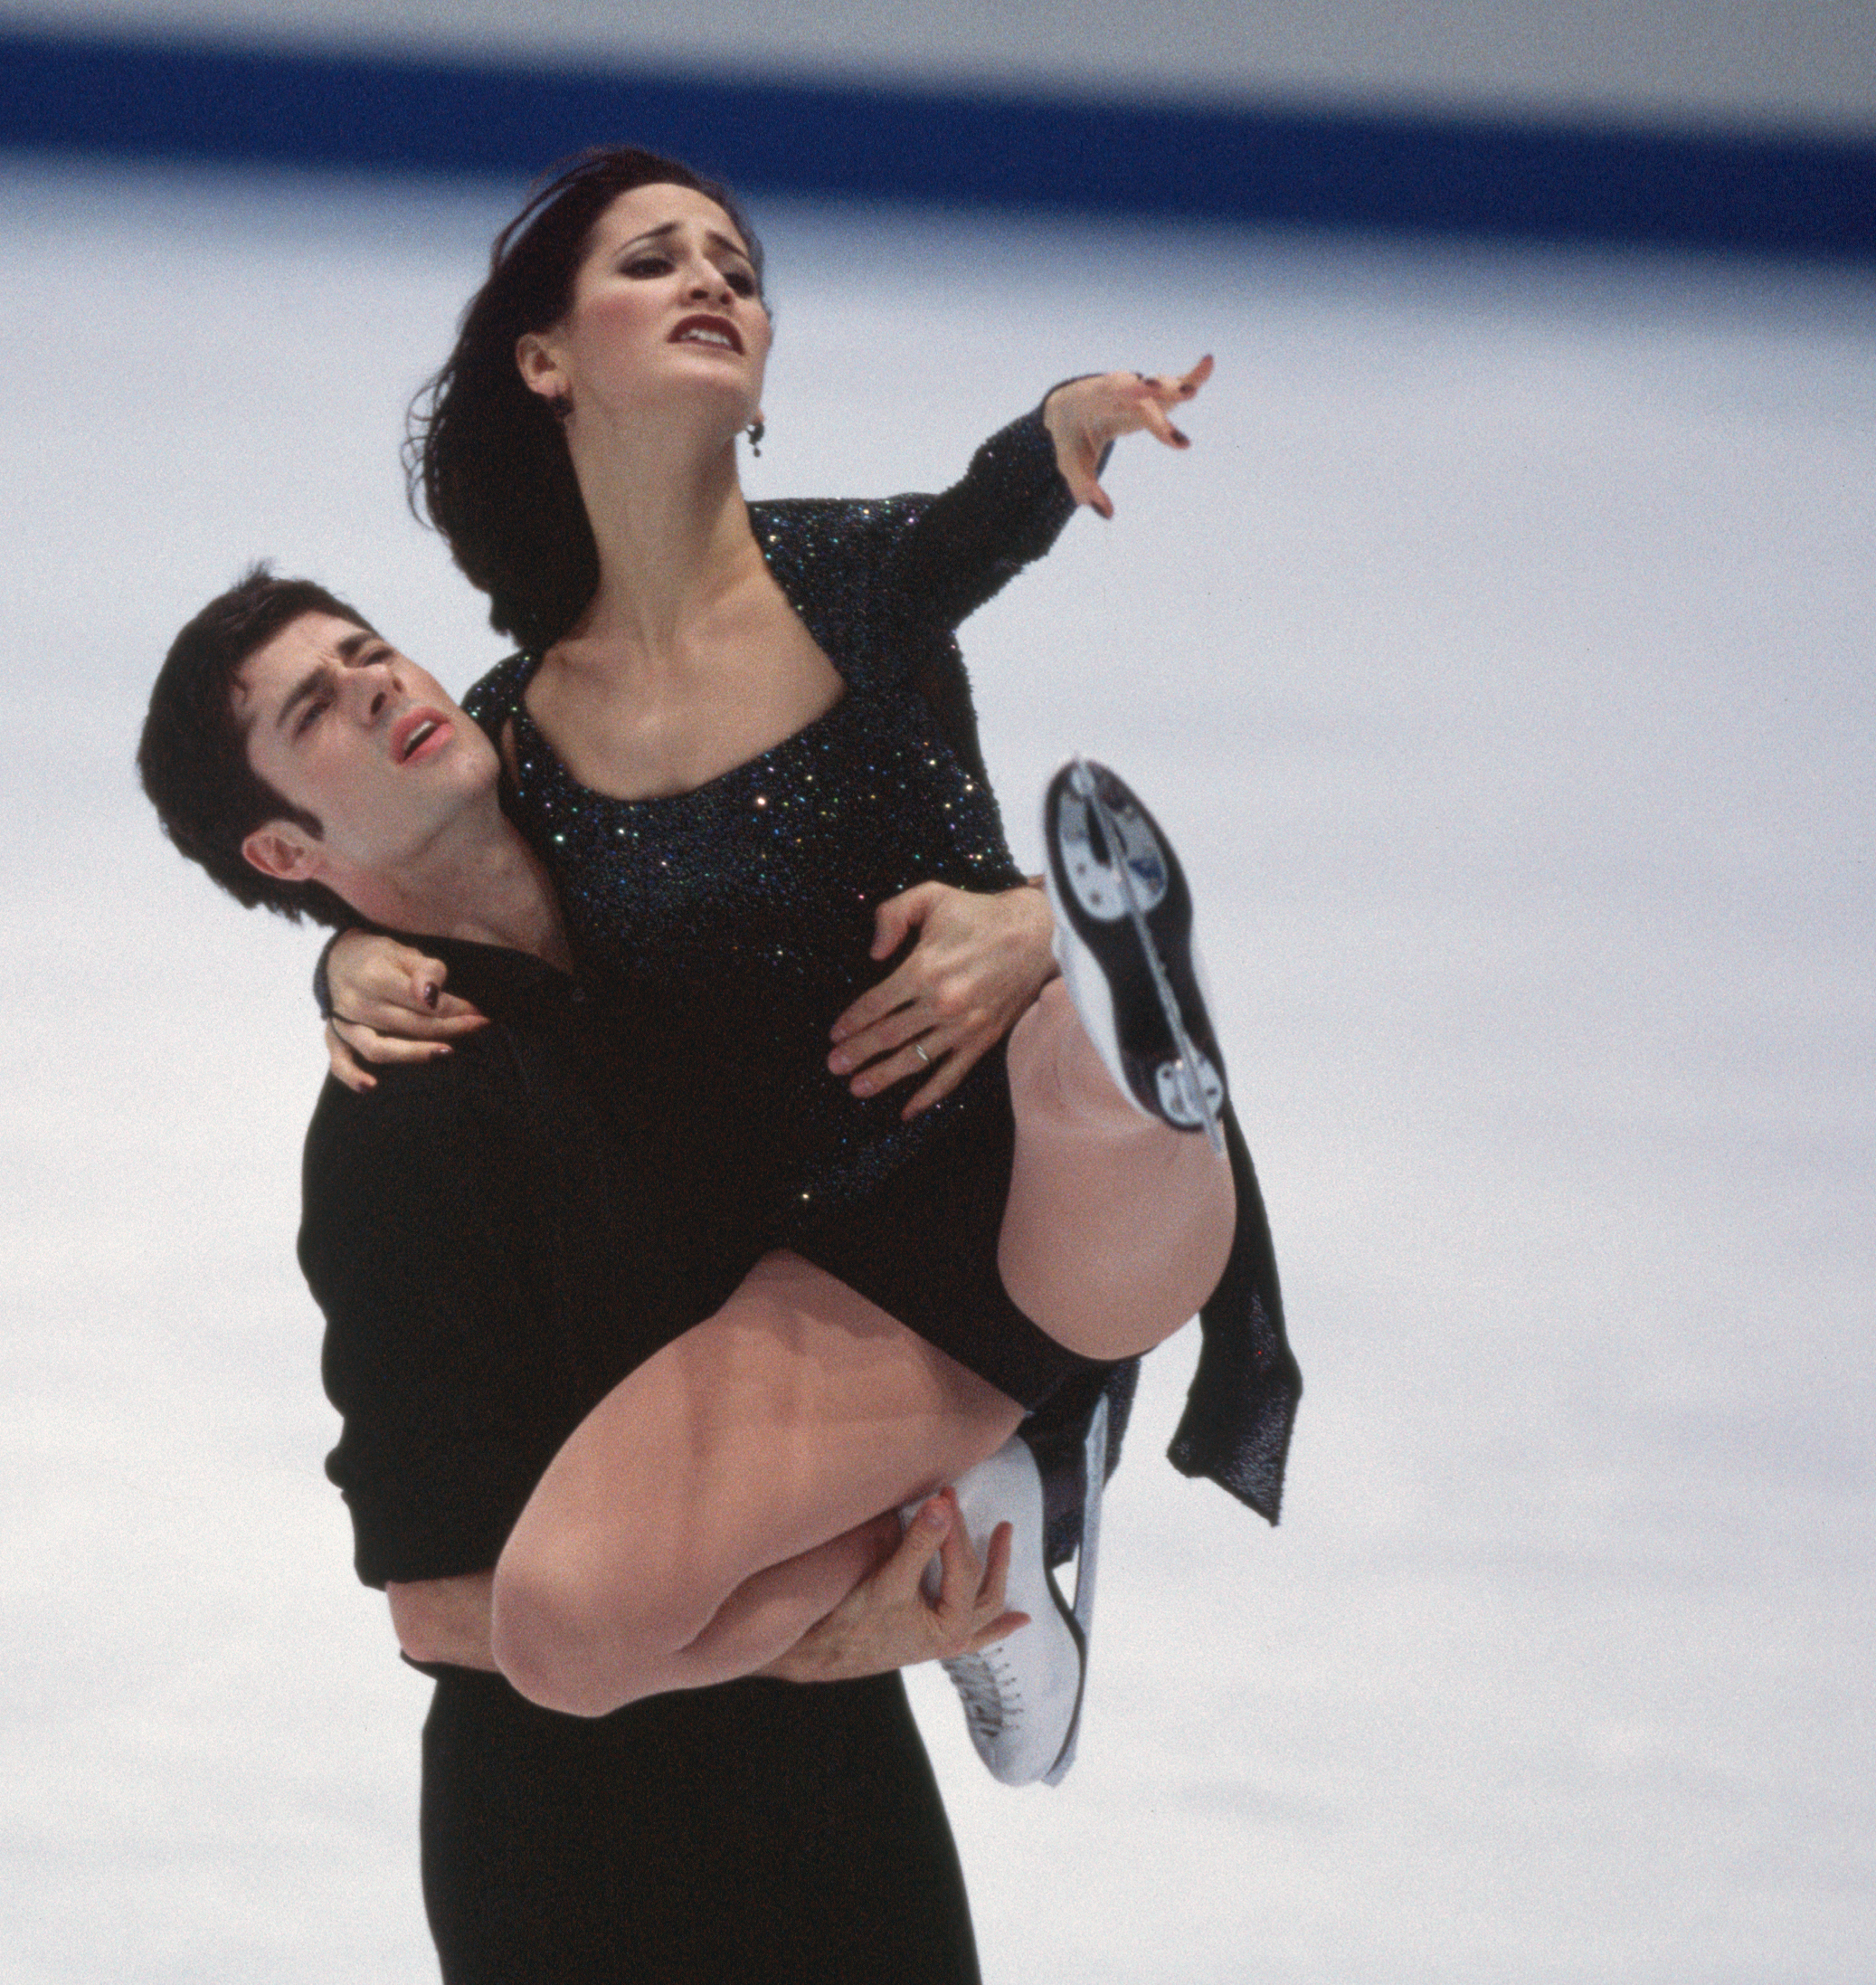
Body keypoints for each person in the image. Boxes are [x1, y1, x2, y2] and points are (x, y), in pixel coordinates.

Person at [139, 566, 1232, 1985]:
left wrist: (1027, 919)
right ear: (284, 845)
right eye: (314, 711)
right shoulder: (400, 1122)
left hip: (833, 1784)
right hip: (586, 1858)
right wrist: (817, 1640)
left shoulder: (657, 874)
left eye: (369, 651)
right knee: (564, 1619)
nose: (380, 686)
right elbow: (437, 1601)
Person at [317, 149, 1303, 1732]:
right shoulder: (517, 739)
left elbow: (994, 512)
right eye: (653, 262)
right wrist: (336, 959)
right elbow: (438, 892)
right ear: (544, 358)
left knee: (1059, 1041)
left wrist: (1069, 420)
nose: (714, 280)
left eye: (735, 265)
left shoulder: (856, 575)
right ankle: (988, 1506)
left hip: (1065, 1191)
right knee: (563, 1624)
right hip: (847, 1275)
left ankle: (1120, 1016)